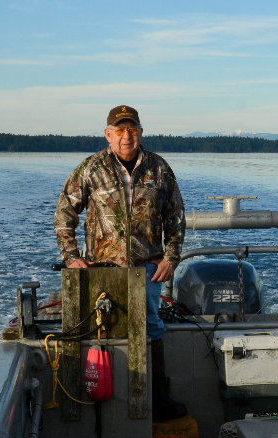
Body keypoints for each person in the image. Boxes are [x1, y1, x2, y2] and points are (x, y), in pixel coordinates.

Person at [54, 105, 187, 420]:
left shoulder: (159, 169)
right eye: (120, 130)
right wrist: (71, 257)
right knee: (100, 328)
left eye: (133, 130)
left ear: (140, 132)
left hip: (148, 268)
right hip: (103, 269)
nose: (127, 136)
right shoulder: (91, 168)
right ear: (108, 134)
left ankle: (157, 399)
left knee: (152, 327)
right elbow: (64, 213)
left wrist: (171, 257)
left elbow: (176, 216)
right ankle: (90, 401)